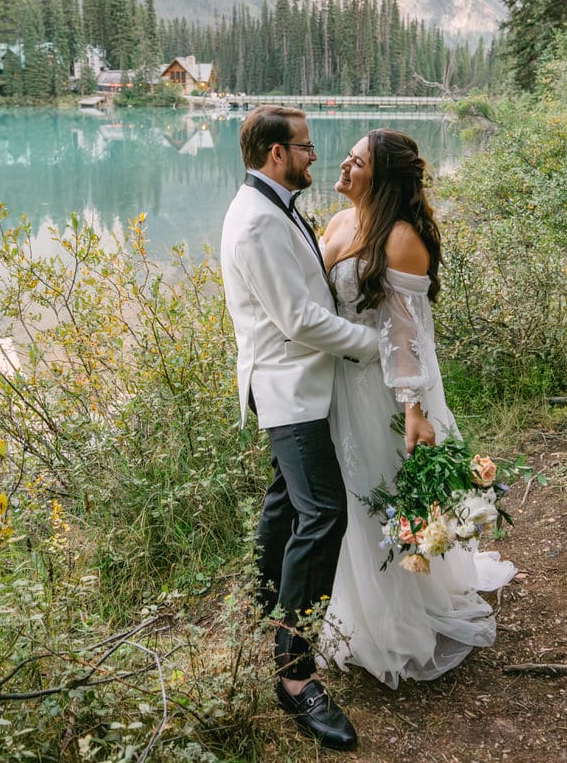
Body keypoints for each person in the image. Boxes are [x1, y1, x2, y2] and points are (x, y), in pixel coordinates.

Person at [317, 128, 518, 688]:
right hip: (332, 384)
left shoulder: (401, 238)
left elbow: (406, 334)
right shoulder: (336, 223)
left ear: (379, 178)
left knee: (373, 493)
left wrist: (413, 408)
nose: (344, 164)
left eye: (355, 161)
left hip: (377, 391)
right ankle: (343, 605)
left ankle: (390, 623)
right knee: (340, 498)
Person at [220, 105, 379, 751]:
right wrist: (369, 344)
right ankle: (293, 671)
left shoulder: (276, 204)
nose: (317, 155)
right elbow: (298, 320)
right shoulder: (257, 221)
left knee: (285, 502)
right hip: (289, 392)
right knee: (324, 515)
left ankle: (260, 606)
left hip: (300, 384)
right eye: (307, 147)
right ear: (276, 153)